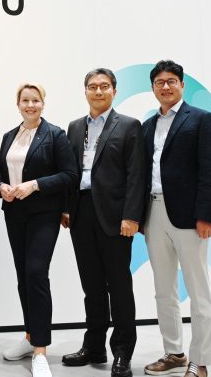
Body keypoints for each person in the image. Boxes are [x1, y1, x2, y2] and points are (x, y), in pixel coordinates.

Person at [61, 68, 146, 377]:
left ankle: (122, 353)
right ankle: (94, 346)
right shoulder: (74, 127)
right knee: (92, 285)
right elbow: (71, 171)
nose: (98, 91)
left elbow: (137, 174)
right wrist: (66, 208)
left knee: (119, 287)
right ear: (85, 91)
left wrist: (131, 216)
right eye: (93, 86)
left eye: (104, 86)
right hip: (81, 213)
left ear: (114, 90)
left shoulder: (129, 126)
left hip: (115, 216)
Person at [141, 60, 211, 377]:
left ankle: (199, 360)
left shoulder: (201, 120)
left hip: (190, 217)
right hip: (153, 213)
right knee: (164, 290)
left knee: (198, 292)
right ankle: (174, 352)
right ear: (153, 87)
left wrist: (206, 215)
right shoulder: (147, 126)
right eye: (159, 82)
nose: (165, 86)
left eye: (171, 81)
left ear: (182, 85)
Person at [0, 83, 77, 377]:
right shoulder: (9, 136)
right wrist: (1, 186)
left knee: (36, 274)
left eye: (35, 100)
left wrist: (36, 185)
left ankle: (40, 349)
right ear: (18, 104)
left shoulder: (55, 135)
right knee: (23, 277)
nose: (30, 105)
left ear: (43, 103)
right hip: (15, 213)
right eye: (25, 100)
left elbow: (70, 175)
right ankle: (30, 336)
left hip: (44, 214)